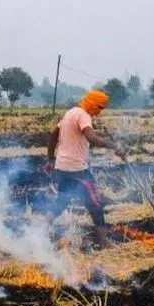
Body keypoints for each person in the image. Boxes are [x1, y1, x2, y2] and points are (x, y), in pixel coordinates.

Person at [44, 89, 126, 247]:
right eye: (99, 107)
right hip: (77, 170)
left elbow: (54, 135)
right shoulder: (83, 115)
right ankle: (103, 241)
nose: (99, 112)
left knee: (62, 201)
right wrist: (113, 146)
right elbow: (91, 138)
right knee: (95, 204)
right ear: (92, 104)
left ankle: (38, 230)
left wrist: (50, 159)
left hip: (61, 168)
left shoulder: (70, 113)